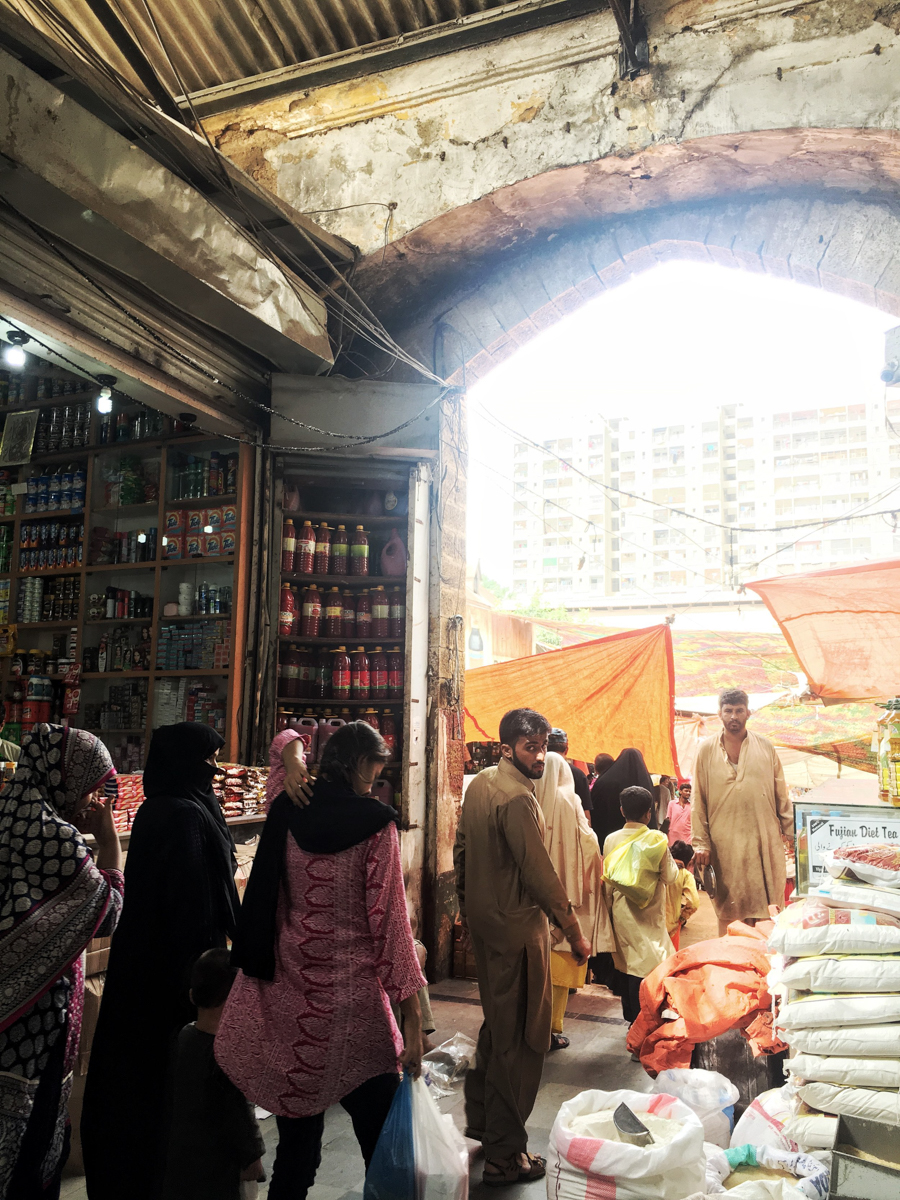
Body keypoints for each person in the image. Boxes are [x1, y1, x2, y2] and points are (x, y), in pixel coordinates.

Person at [216, 722, 425, 1200]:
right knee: (384, 1145)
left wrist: (293, 763)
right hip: (355, 1011)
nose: (378, 772)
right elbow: (391, 927)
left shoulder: (290, 803)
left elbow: (282, 738)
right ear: (356, 763)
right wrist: (413, 1018)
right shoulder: (375, 825)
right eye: (375, 762)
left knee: (297, 1149)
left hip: (291, 1004)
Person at [82, 723, 241, 1200]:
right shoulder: (179, 816)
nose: (213, 769)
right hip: (171, 980)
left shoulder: (183, 808)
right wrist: (200, 982)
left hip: (163, 974)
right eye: (207, 759)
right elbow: (189, 908)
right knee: (161, 1090)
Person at [454, 708, 590, 1187]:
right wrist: (573, 930)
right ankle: (505, 1157)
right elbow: (539, 874)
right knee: (524, 1045)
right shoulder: (516, 799)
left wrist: (469, 911)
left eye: (544, 746)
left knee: (497, 1032)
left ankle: (485, 1131)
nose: (540, 755)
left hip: (490, 931)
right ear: (508, 746)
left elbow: (462, 852)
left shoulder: (482, 785)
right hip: (519, 936)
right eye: (531, 747)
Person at [0, 725, 123, 1199]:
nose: (92, 798)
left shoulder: (10, 813)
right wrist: (108, 839)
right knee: (31, 1139)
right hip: (36, 1018)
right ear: (64, 777)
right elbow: (109, 910)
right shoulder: (54, 837)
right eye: (90, 785)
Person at [162, 949, 264, 1200]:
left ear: (192, 996)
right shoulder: (228, 1054)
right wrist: (253, 1157)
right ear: (237, 1001)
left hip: (181, 1161)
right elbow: (239, 1112)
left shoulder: (184, 1037)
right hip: (223, 1167)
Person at [692, 688, 793, 937]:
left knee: (767, 913)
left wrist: (792, 835)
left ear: (748, 712)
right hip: (724, 846)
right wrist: (701, 843)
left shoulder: (766, 748)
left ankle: (765, 970)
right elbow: (698, 799)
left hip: (764, 842)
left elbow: (782, 795)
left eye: (739, 710)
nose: (734, 716)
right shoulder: (706, 751)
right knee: (730, 917)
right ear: (720, 714)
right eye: (728, 711)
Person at [534, 752, 612, 1050]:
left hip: (535, 897)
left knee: (537, 969)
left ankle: (531, 1027)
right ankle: (552, 1030)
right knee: (559, 967)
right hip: (566, 894)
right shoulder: (570, 799)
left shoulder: (530, 799)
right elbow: (588, 843)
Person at [603, 786, 678, 1027]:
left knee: (628, 964)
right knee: (652, 964)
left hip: (622, 912)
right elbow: (670, 877)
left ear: (622, 810)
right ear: (649, 813)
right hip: (651, 913)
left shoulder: (611, 839)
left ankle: (633, 1024)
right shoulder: (657, 840)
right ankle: (649, 1022)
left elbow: (607, 879)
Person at [591, 747, 655, 847]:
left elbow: (595, 809)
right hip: (642, 839)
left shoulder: (605, 781)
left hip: (609, 836)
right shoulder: (645, 781)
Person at [547, 728, 593, 825]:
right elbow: (585, 813)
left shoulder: (535, 771)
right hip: (570, 829)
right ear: (566, 750)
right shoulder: (578, 774)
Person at [666, 840, 699, 952]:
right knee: (670, 961)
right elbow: (694, 903)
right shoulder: (685, 875)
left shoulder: (658, 869)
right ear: (689, 862)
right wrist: (682, 917)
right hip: (671, 924)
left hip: (651, 923)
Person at [662, 779, 693, 848]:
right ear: (680, 791)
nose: (688, 793)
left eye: (690, 791)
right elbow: (668, 819)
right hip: (673, 835)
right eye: (686, 791)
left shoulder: (692, 806)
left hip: (687, 836)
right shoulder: (672, 804)